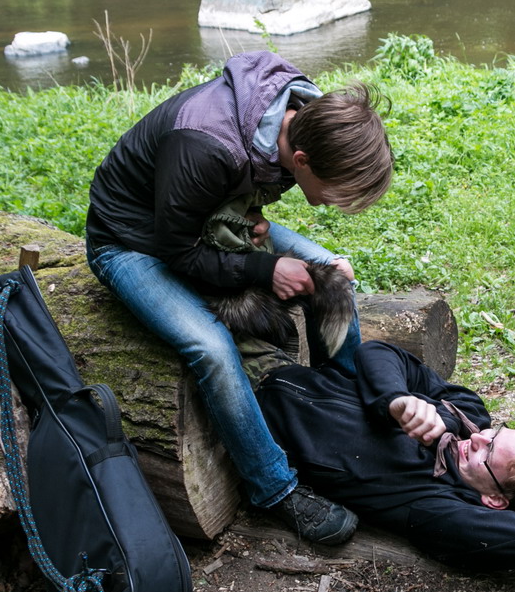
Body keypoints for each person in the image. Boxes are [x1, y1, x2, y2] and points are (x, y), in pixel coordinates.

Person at [85, 51, 392, 545]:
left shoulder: (301, 113)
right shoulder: (205, 145)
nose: (338, 203)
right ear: (301, 161)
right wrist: (266, 268)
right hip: (133, 242)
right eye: (337, 191)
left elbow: (241, 184)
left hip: (207, 215)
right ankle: (272, 488)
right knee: (211, 348)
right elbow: (179, 252)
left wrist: (250, 218)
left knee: (334, 272)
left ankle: (342, 402)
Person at [253, 340, 515, 572]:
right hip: (275, 362)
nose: (478, 437)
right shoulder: (467, 414)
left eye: (487, 452)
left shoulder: (435, 504)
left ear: (494, 500)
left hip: (252, 423)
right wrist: (396, 399)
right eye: (496, 433)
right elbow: (376, 351)